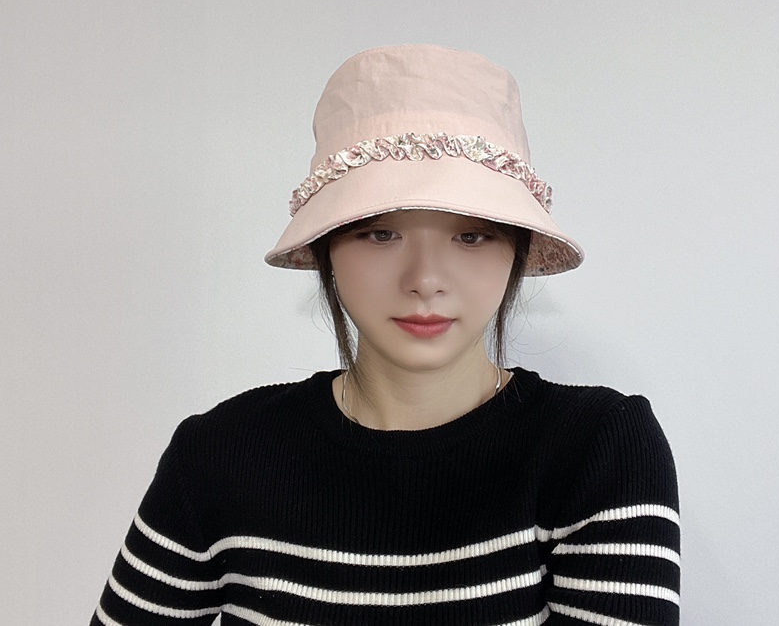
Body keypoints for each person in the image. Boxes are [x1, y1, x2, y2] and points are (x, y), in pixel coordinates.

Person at [91, 45, 680, 626]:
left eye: (471, 236)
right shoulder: (218, 455)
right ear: (327, 249)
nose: (424, 279)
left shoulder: (599, 450)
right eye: (380, 234)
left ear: (516, 252)